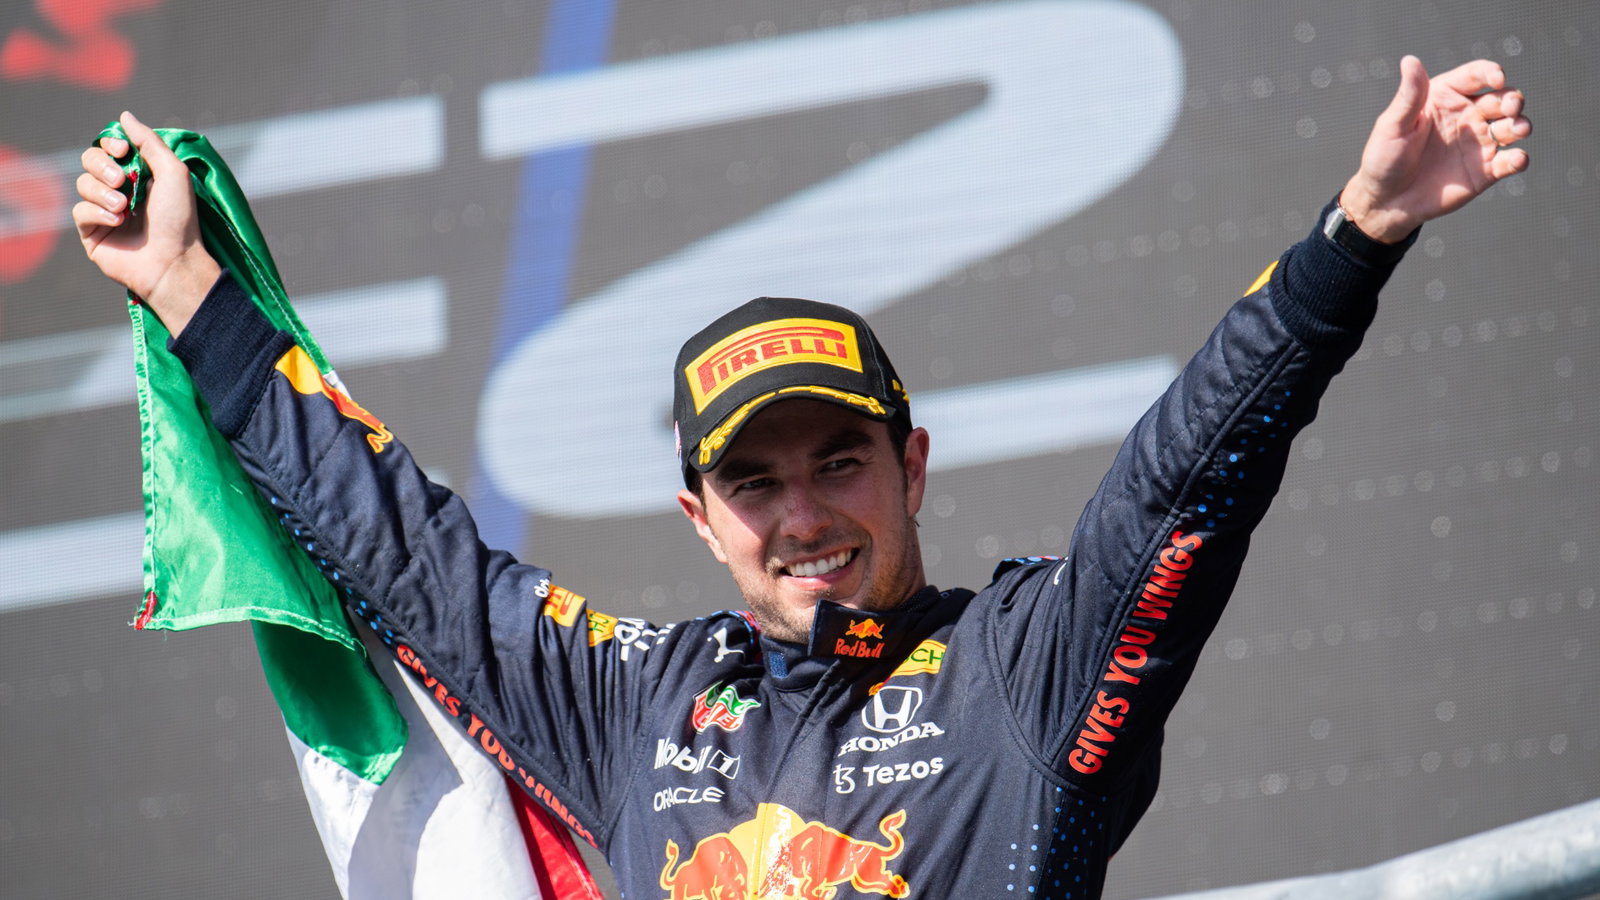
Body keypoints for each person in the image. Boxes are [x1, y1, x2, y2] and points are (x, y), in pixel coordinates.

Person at [74, 56, 1528, 899]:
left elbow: (1187, 478)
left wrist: (1354, 238)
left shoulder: (1021, 673)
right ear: (699, 520)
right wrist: (192, 289)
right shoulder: (637, 703)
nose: (804, 516)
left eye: (839, 461)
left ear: (913, 467)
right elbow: (404, 555)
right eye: (756, 484)